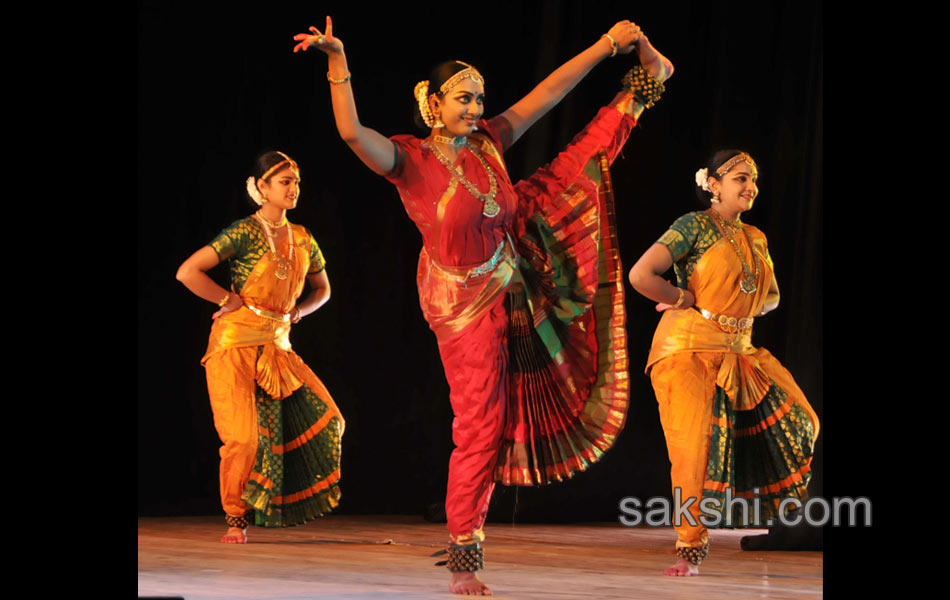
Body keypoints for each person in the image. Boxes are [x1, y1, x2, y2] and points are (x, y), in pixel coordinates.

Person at [293, 16, 672, 595]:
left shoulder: (490, 139)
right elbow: (351, 134)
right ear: (434, 103)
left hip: (516, 260)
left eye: (479, 98)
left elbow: (547, 94)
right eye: (464, 99)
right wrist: (338, 63)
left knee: (577, 166)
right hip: (462, 304)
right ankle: (465, 554)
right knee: (481, 424)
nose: (475, 107)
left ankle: (644, 87)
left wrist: (603, 46)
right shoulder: (409, 161)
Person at [627, 150, 820, 576]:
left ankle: (745, 512)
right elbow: (641, 275)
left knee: (802, 419)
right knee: (693, 449)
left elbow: (770, 298)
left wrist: (733, 307)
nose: (750, 186)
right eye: (740, 177)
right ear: (712, 184)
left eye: (753, 179)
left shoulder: (756, 237)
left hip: (739, 349)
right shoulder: (692, 226)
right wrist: (680, 299)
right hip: (686, 350)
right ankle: (689, 550)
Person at [176, 151, 344, 544]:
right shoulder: (244, 232)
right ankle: (236, 518)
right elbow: (187, 272)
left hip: (277, 345)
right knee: (244, 440)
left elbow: (324, 290)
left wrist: (298, 313)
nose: (293, 188)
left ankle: (278, 504)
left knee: (331, 419)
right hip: (234, 343)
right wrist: (225, 300)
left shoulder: (303, 238)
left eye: (296, 181)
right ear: (260, 188)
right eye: (284, 181)